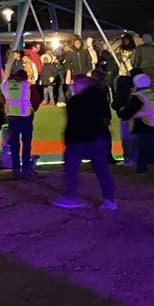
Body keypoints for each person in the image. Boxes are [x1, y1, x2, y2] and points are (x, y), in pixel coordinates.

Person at [51, 75, 117, 210]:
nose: (72, 87)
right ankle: (109, 199)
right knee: (102, 169)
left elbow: (73, 122)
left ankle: (70, 196)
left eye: (74, 84)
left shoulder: (76, 101)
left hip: (79, 139)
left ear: (82, 85)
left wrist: (69, 138)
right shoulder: (100, 98)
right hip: (98, 137)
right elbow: (107, 117)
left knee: (71, 168)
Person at [116, 71, 154, 177]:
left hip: (144, 124)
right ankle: (142, 169)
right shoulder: (153, 94)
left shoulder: (138, 96)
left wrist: (122, 112)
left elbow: (129, 111)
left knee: (152, 148)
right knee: (143, 148)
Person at [4, 67, 38, 178]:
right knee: (26, 143)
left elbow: (3, 99)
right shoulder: (28, 85)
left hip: (12, 117)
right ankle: (26, 168)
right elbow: (36, 100)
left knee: (14, 144)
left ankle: (16, 169)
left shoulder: (6, 85)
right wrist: (32, 109)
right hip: (25, 116)